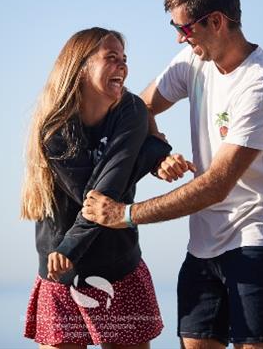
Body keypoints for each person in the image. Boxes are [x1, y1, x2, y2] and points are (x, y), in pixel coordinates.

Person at [82, 0, 263, 349]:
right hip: (202, 246)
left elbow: (216, 185)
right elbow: (139, 108)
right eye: (175, 30)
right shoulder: (193, 63)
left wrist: (125, 215)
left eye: (185, 29)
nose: (181, 39)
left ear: (216, 21)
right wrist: (157, 152)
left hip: (257, 240)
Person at [21, 27, 172, 349]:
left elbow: (111, 185)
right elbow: (95, 197)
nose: (122, 67)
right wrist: (150, 156)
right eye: (111, 58)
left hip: (119, 265)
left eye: (124, 60)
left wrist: (149, 156)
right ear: (81, 67)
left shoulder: (131, 110)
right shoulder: (56, 129)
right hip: (61, 271)